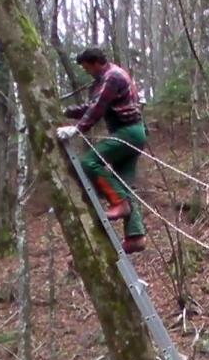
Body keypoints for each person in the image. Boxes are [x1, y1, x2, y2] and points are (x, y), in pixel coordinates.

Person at [56, 48, 147, 254]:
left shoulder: (111, 77)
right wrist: (65, 111)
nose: (88, 72)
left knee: (89, 162)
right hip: (132, 131)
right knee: (124, 183)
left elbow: (98, 108)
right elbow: (92, 106)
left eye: (87, 68)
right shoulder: (107, 78)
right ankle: (136, 236)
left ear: (96, 63)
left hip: (128, 132)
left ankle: (119, 203)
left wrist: (78, 129)